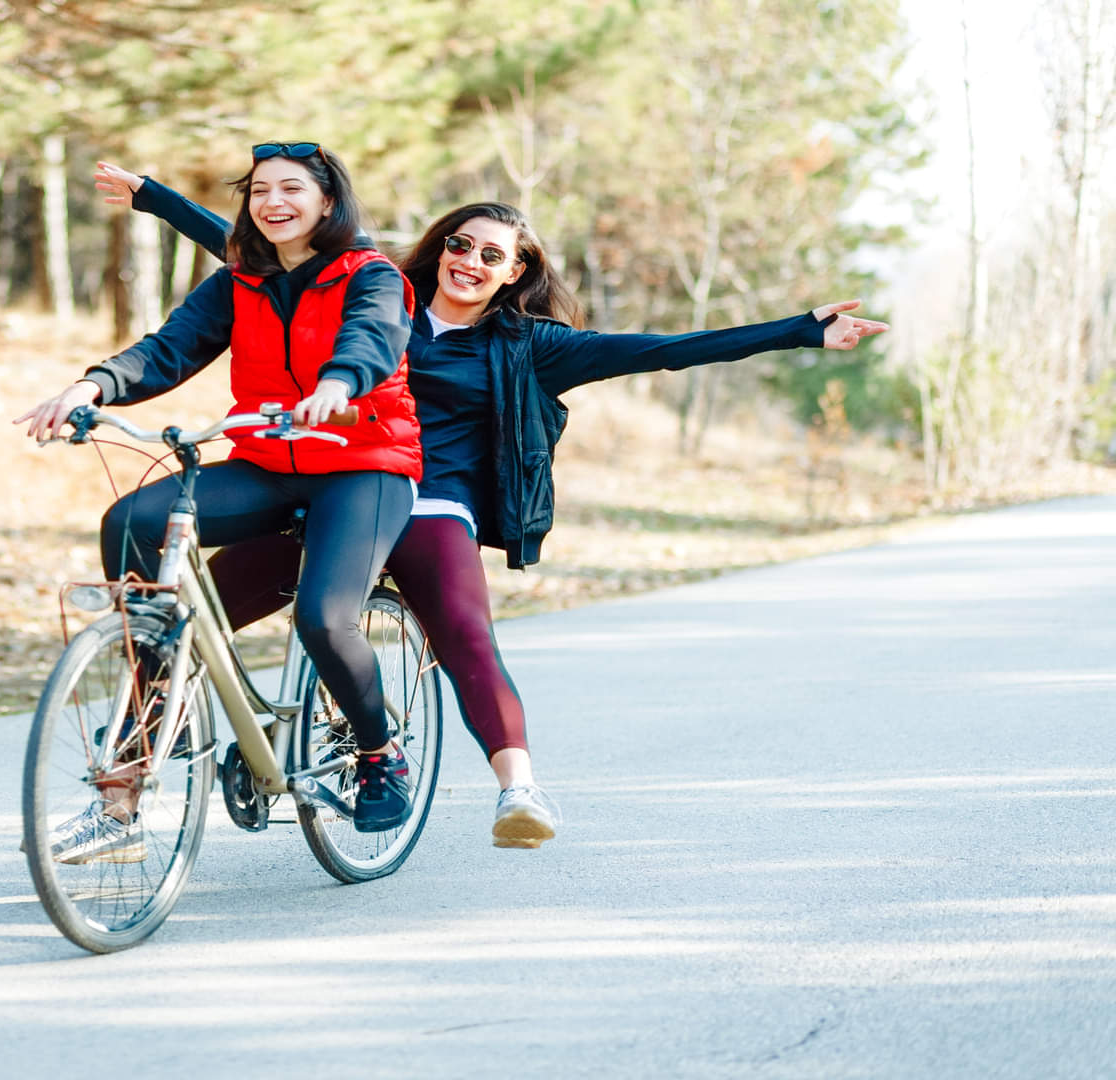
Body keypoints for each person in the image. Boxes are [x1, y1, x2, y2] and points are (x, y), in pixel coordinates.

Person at [95, 161, 887, 849]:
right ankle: (135, 783)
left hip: (433, 504)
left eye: (492, 255)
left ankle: (519, 789)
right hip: (333, 483)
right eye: (461, 244)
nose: (470, 261)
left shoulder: (534, 345)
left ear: (515, 272)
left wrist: (800, 334)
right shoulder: (380, 291)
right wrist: (153, 198)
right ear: (440, 247)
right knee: (187, 620)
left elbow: (667, 349)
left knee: (464, 632)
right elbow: (260, 253)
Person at [17, 142, 426, 863]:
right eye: (260, 190)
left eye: (291, 189)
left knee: (326, 619)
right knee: (132, 523)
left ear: (327, 202)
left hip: (364, 464)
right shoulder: (241, 279)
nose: (273, 202)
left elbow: (371, 338)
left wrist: (339, 385)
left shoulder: (374, 277)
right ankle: (145, 729)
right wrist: (92, 386)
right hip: (268, 461)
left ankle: (377, 753)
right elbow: (170, 348)